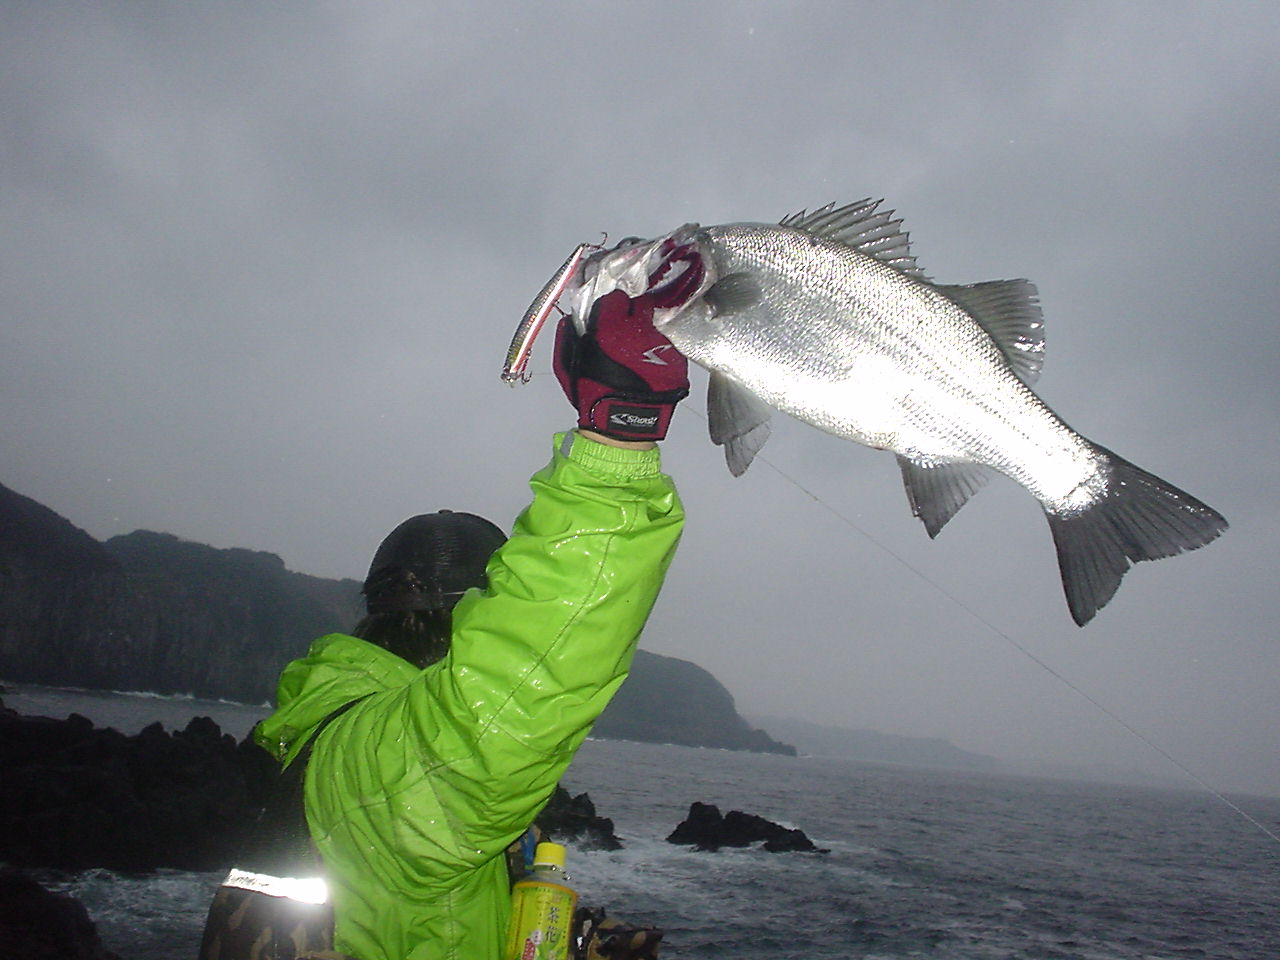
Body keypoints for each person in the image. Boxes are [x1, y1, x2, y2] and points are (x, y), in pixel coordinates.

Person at [199, 281, 691, 960]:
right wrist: (619, 439)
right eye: (491, 607)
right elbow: (525, 678)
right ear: (473, 616)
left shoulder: (328, 738)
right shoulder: (383, 768)